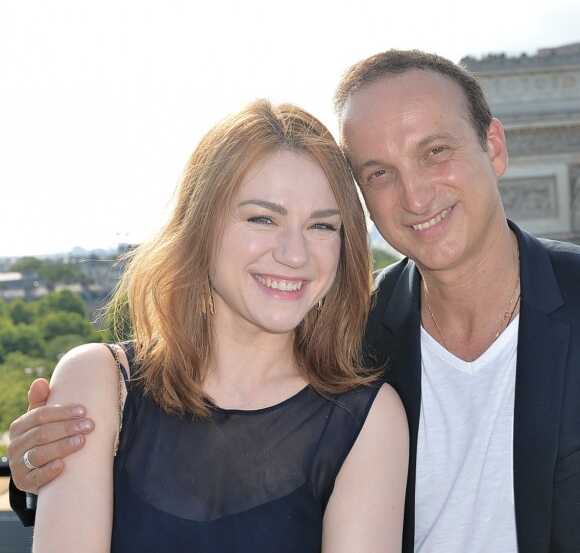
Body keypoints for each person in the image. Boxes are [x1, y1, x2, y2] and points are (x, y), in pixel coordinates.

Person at [9, 49, 580, 551]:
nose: (415, 193)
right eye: (379, 172)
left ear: (494, 146)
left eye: (435, 152)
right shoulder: (353, 336)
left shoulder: (358, 396)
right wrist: (43, 471)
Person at [9, 99, 408, 552]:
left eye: (321, 226)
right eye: (263, 218)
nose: (295, 253)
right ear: (201, 226)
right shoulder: (98, 384)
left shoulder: (366, 420)